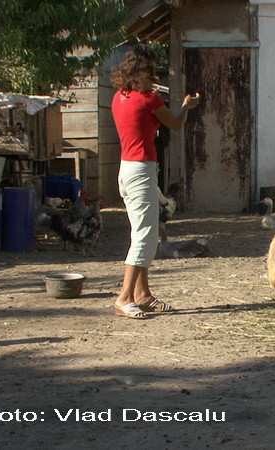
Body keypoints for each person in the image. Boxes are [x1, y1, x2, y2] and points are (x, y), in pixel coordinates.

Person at [110, 43, 201, 319]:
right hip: (141, 170)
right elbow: (175, 123)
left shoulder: (119, 97)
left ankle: (143, 295)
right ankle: (124, 297)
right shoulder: (149, 99)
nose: (154, 77)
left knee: (140, 232)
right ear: (144, 72)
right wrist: (186, 106)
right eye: (151, 71)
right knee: (145, 237)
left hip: (126, 169)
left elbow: (144, 124)